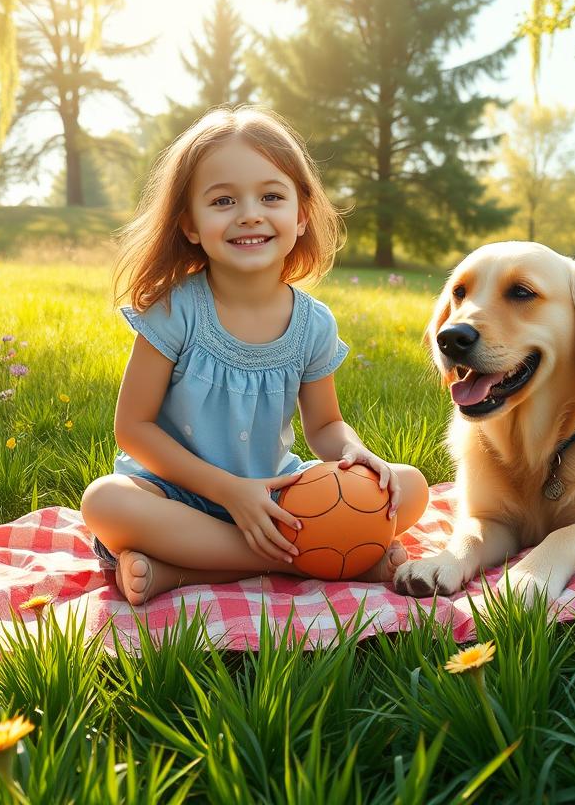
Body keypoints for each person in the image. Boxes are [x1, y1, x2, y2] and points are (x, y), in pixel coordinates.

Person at [81, 105, 431, 606]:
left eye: (271, 196)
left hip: (273, 495)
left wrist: (354, 453)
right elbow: (132, 429)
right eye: (223, 200)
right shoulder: (175, 309)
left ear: (301, 214)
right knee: (105, 501)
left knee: (410, 487)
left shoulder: (313, 324)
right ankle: (316, 557)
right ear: (190, 225)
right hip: (174, 493)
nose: (250, 213)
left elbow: (326, 427)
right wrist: (226, 492)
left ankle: (176, 571)